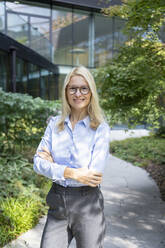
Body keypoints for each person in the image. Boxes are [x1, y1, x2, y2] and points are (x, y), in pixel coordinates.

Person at [33, 66, 110, 248]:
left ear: (91, 92)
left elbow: (93, 175)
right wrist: (71, 172)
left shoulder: (100, 128)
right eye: (73, 88)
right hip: (57, 203)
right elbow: (38, 163)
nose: (78, 93)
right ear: (66, 91)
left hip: (88, 205)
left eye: (84, 88)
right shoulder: (54, 124)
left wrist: (54, 166)